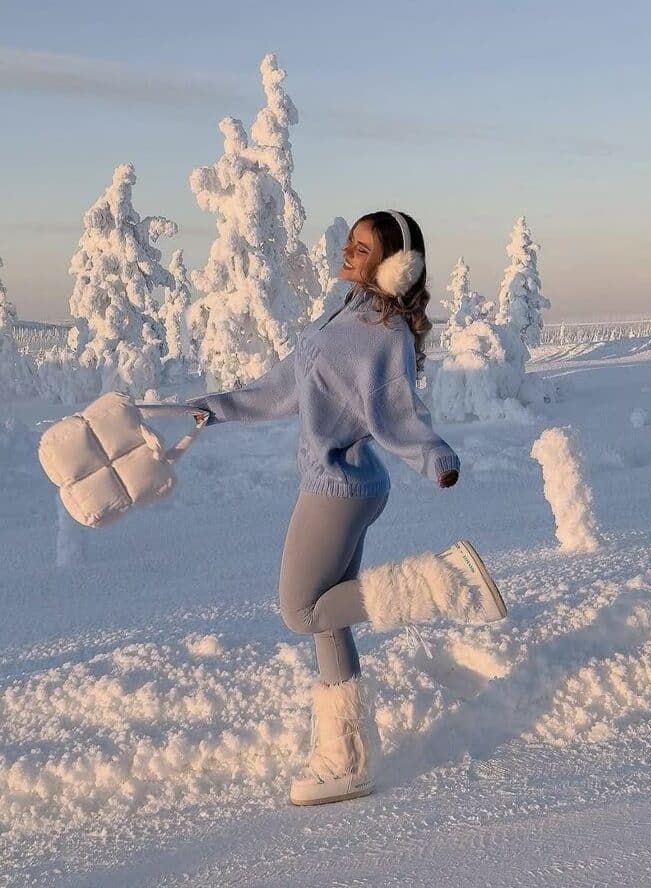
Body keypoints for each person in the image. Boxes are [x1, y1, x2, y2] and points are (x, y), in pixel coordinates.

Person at [186, 210, 507, 807]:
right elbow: (286, 387)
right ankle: (348, 762)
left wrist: (436, 458)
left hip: (340, 488)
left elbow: (400, 412)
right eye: (351, 243)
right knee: (327, 619)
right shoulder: (343, 313)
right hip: (344, 484)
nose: (348, 252)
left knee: (300, 610)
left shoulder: (379, 336)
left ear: (393, 267)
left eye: (363, 249)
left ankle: (442, 582)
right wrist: (218, 407)